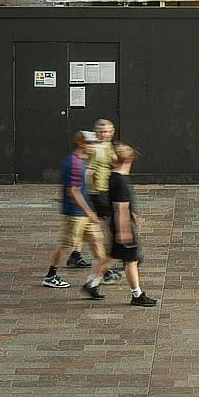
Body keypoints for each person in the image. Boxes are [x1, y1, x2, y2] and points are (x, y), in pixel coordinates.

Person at [84, 144, 156, 305]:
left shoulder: (112, 177)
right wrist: (124, 231)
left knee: (111, 255)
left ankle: (92, 283)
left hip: (115, 225)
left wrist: (131, 215)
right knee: (131, 261)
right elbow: (120, 207)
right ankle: (137, 295)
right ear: (129, 160)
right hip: (122, 227)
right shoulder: (121, 182)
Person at [43, 130, 103, 288]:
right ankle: (51, 275)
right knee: (66, 243)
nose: (93, 146)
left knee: (96, 240)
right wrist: (89, 211)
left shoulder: (83, 161)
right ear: (81, 143)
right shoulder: (74, 163)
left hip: (85, 212)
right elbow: (73, 191)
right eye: (90, 143)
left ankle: (103, 272)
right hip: (75, 213)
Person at [77, 116, 118, 268]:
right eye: (101, 131)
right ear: (96, 132)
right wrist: (87, 191)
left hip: (105, 189)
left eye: (108, 131)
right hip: (98, 192)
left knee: (86, 224)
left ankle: (75, 253)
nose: (105, 134)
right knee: (109, 223)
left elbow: (113, 160)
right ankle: (111, 255)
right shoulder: (96, 148)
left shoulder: (107, 145)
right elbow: (89, 171)